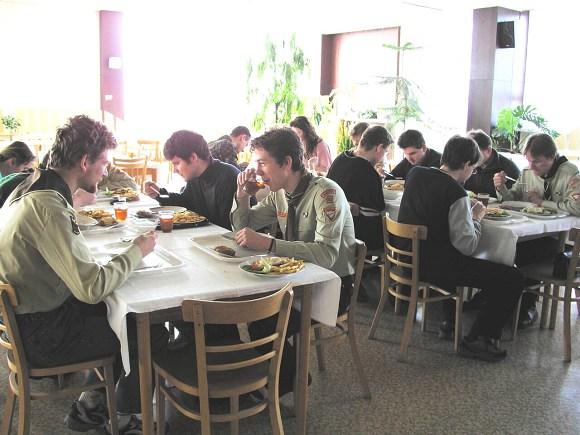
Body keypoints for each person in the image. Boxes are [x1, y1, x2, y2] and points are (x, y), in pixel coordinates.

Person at [0, 115, 168, 433]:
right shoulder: (48, 206)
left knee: (121, 314)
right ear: (85, 161)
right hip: (42, 335)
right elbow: (91, 287)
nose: (105, 171)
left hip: (26, 320)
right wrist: (136, 251)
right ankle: (124, 418)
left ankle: (90, 407)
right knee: (146, 331)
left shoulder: (30, 185)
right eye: (103, 163)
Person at [230, 127, 356, 396]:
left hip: (331, 287)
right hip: (295, 281)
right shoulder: (279, 194)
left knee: (264, 323)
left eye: (262, 163)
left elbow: (326, 255)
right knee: (256, 313)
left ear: (286, 163)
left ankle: (287, 383)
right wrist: (241, 196)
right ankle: (279, 379)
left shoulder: (326, 193)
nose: (257, 170)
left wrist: (270, 244)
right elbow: (243, 227)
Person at [398, 135, 524, 362]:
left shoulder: (416, 174)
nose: (472, 173)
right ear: (466, 165)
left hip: (409, 259)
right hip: (436, 268)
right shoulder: (455, 193)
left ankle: (450, 322)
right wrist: (475, 218)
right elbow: (467, 246)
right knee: (512, 277)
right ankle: (479, 338)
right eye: (473, 169)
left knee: (450, 251)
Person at [494, 133, 580, 328]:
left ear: (552, 157)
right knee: (502, 250)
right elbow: (513, 199)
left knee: (521, 254)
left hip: (558, 241)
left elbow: (577, 207)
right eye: (529, 161)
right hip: (529, 233)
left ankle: (526, 308)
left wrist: (542, 202)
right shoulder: (527, 171)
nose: (531, 167)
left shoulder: (570, 173)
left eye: (537, 162)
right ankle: (495, 303)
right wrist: (501, 188)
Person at [144, 129, 240, 230]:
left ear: (193, 157)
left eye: (177, 163)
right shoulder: (196, 175)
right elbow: (185, 202)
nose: (174, 171)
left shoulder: (228, 179)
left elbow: (227, 228)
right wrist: (159, 193)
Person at [327, 125, 392, 252]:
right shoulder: (367, 171)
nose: (383, 157)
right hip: (357, 236)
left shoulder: (340, 158)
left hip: (333, 229)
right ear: (379, 148)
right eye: (385, 152)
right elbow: (377, 210)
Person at [463, 129, 520, 197]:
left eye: (475, 152)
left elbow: (515, 198)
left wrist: (501, 187)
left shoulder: (509, 168)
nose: (470, 157)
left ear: (488, 150)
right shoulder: (466, 165)